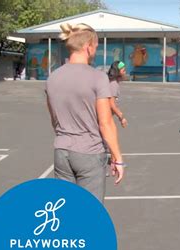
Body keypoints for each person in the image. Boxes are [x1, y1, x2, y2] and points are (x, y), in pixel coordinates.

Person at [45, 23, 125, 203]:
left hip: (62, 152)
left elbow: (54, 120)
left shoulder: (53, 78)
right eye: (95, 47)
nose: (95, 51)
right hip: (89, 154)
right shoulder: (98, 77)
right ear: (88, 46)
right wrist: (117, 158)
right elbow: (105, 123)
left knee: (65, 209)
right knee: (90, 212)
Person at [108, 60, 128, 128]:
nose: (125, 73)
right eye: (123, 71)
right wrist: (121, 117)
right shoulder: (113, 84)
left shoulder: (113, 83)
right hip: (105, 117)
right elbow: (111, 104)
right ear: (118, 72)